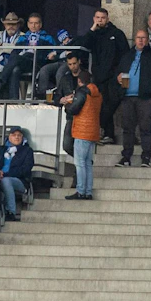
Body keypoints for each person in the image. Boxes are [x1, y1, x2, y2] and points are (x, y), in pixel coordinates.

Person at [115, 25, 151, 167]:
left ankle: (146, 156)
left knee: (145, 129)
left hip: (147, 98)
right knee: (127, 129)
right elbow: (118, 73)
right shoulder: (127, 56)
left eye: (143, 38)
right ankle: (126, 157)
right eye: (138, 38)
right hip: (127, 97)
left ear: (148, 40)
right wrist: (118, 78)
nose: (140, 40)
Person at [55, 50, 102, 200]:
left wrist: (68, 103)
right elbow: (57, 96)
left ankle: (81, 190)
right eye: (70, 64)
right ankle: (87, 191)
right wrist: (61, 99)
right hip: (91, 129)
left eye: (74, 63)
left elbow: (74, 108)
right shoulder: (96, 92)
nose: (72, 66)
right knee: (86, 162)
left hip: (81, 127)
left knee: (81, 162)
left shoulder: (82, 92)